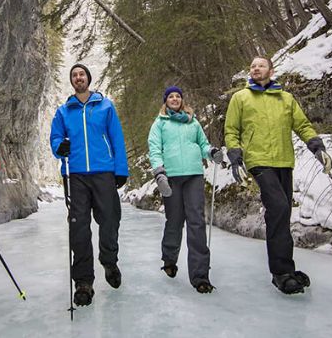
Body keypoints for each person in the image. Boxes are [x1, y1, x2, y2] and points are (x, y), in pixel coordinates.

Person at [224, 56, 332, 295]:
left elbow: (302, 125)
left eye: (261, 65)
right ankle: (281, 273)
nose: (255, 68)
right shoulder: (240, 98)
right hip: (258, 161)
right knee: (279, 208)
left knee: (281, 216)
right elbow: (232, 130)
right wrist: (235, 157)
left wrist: (317, 146)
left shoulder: (286, 99)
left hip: (284, 161)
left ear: (271, 70)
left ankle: (287, 269)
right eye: (252, 66)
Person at [50, 64, 129, 306]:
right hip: (76, 176)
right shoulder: (64, 111)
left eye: (81, 74)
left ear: (88, 78)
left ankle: (109, 260)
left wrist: (121, 169)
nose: (78, 78)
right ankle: (83, 282)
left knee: (110, 219)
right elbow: (55, 137)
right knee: (79, 228)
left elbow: (116, 137)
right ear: (72, 81)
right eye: (74, 75)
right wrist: (58, 147)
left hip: (103, 171)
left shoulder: (104, 106)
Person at [148, 86, 223, 294]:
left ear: (182, 101)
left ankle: (200, 276)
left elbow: (203, 144)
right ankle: (169, 259)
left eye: (178, 96)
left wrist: (212, 152)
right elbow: (154, 149)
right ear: (166, 101)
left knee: (197, 222)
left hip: (193, 175)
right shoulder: (159, 123)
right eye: (171, 96)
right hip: (170, 177)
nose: (174, 99)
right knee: (174, 221)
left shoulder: (193, 122)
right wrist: (159, 172)